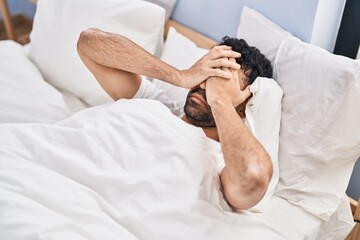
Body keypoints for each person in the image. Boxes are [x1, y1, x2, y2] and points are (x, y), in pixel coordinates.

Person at [76, 28, 274, 211]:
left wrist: (220, 100)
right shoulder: (158, 104)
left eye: (220, 81)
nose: (204, 86)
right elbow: (89, 43)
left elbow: (253, 175)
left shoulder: (223, 162)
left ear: (242, 107)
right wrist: (181, 77)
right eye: (208, 71)